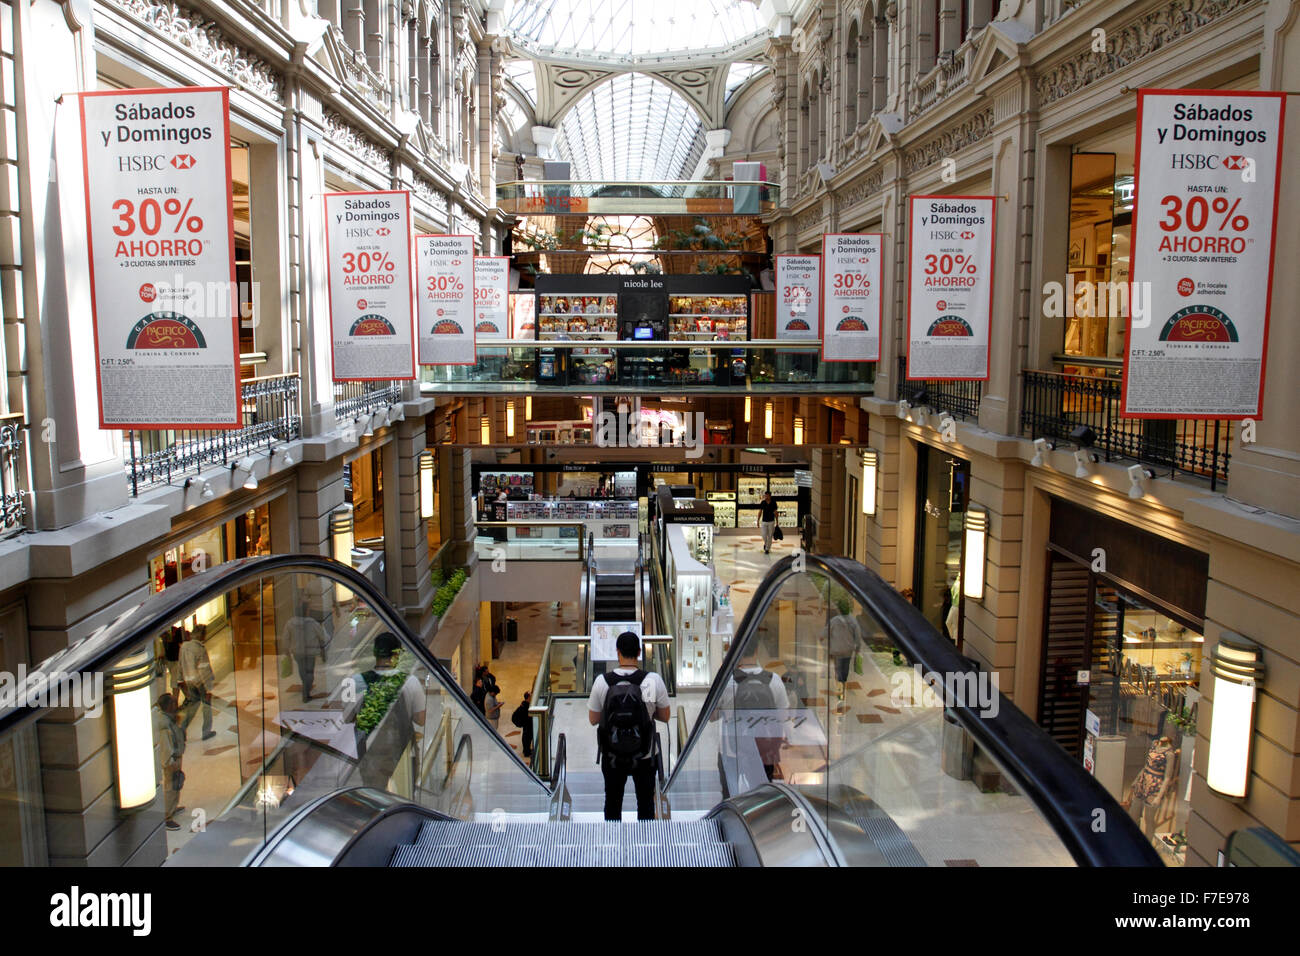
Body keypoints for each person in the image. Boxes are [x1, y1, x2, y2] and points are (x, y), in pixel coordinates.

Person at [587, 631, 670, 821]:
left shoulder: (603, 681)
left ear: (618, 652)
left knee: (613, 802)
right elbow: (665, 716)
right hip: (646, 753)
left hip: (612, 754)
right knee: (646, 803)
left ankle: (613, 842)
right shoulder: (653, 679)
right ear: (639, 652)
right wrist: (648, 713)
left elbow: (593, 719)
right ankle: (645, 843)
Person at [347, 633, 426, 790]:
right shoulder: (410, 682)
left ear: (375, 653)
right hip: (403, 753)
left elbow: (348, 719)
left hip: (370, 754)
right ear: (396, 654)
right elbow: (421, 720)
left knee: (375, 795)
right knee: (405, 795)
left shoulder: (356, 681)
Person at [718, 648, 789, 782]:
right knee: (762, 795)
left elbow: (711, 717)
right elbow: (783, 716)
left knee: (731, 796)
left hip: (732, 750)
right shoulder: (774, 680)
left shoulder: (727, 681)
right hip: (764, 750)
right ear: (756, 651)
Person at [284, 601, 328, 701]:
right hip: (310, 652)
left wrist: (286, 650)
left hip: (297, 652)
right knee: (309, 672)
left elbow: (285, 638)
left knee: (302, 671)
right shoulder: (313, 623)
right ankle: (306, 692)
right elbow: (324, 637)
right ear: (306, 612)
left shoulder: (290, 623)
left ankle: (305, 686)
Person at [178, 625, 216, 741]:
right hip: (199, 682)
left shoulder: (184, 647)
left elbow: (180, 664)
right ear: (202, 635)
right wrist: (208, 688)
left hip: (188, 680)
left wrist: (180, 679)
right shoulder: (200, 648)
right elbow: (204, 668)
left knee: (194, 704)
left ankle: (183, 727)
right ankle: (206, 731)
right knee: (206, 705)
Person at [156, 693, 186, 831]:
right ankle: (167, 816)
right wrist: (171, 761)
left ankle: (172, 808)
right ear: (168, 705)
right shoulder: (164, 724)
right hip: (172, 759)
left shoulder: (170, 719)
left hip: (176, 756)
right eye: (173, 703)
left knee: (176, 784)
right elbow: (165, 746)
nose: (176, 704)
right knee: (170, 786)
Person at [828, 599, 863, 701]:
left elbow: (829, 633)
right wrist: (858, 648)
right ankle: (841, 688)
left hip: (838, 649)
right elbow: (857, 636)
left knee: (839, 669)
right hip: (846, 650)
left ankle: (840, 688)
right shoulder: (852, 620)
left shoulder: (835, 619)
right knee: (844, 669)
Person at [511, 692, 534, 758]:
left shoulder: (524, 704)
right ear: (528, 697)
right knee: (527, 738)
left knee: (527, 738)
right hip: (527, 724)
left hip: (526, 724)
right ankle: (527, 752)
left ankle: (527, 750)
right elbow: (527, 716)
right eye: (531, 696)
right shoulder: (526, 706)